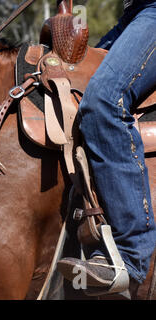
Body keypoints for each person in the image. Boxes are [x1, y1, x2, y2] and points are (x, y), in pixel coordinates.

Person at [57, 0, 156, 293]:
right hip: (134, 15)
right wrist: (75, 17)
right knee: (71, 80)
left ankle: (130, 254)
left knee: (104, 100)